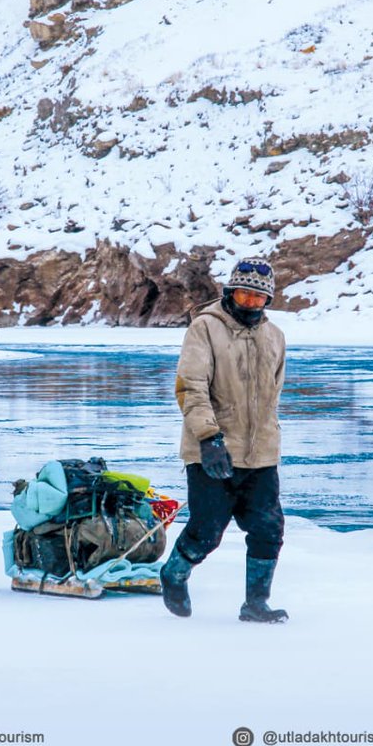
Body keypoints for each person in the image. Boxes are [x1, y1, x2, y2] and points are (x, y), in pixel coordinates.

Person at [162, 256, 288, 622]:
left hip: (261, 453)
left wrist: (268, 439)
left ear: (268, 301)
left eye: (258, 299)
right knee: (206, 532)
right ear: (230, 292)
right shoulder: (204, 329)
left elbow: (271, 396)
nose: (250, 304)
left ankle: (255, 604)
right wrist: (208, 437)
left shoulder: (275, 337)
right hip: (212, 450)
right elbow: (191, 386)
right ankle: (174, 573)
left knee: (268, 529)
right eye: (244, 296)